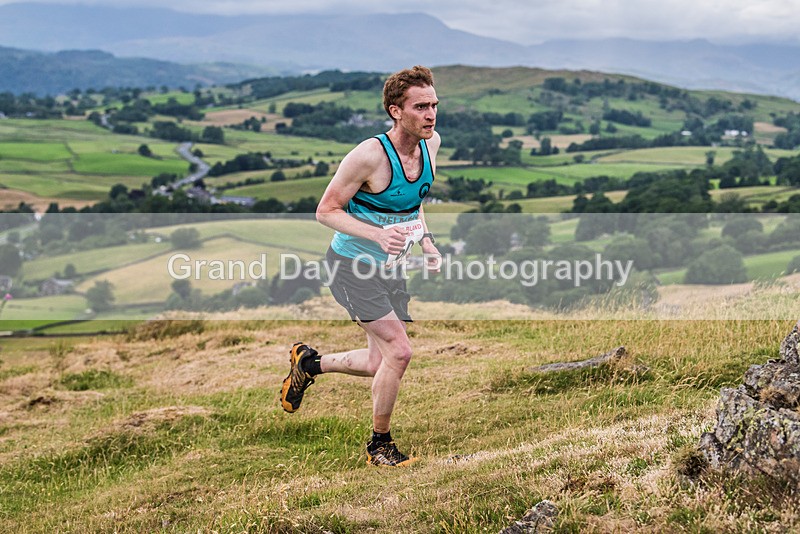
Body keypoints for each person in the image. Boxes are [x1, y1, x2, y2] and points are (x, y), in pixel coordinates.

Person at [280, 65, 441, 467]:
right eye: (420, 107)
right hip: (351, 266)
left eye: (434, 105)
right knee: (400, 353)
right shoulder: (368, 156)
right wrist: (375, 235)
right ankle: (379, 445)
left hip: (391, 267)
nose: (430, 114)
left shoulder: (431, 144)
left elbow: (412, 202)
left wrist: (426, 240)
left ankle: (309, 364)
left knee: (377, 362)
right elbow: (325, 211)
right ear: (395, 110)